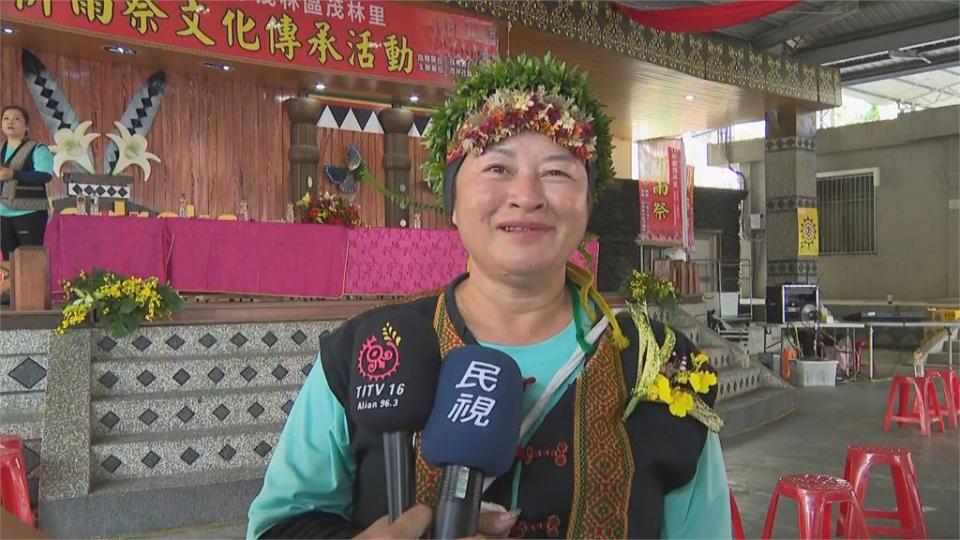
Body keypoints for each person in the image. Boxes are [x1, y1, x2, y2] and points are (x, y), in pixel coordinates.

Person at [247, 54, 731, 539]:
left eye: (558, 173)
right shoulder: (369, 351)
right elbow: (277, 527)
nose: (526, 195)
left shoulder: (661, 365)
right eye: (497, 167)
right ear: (453, 203)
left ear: (588, 206)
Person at [1, 105, 55, 261]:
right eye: (6, 118)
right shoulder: (0, 149)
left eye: (16, 118)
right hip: (2, 214)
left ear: (26, 127)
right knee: (7, 261)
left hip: (30, 213)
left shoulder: (38, 149)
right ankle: (10, 287)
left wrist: (13, 174)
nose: (10, 121)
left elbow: (44, 176)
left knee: (30, 259)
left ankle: (32, 286)